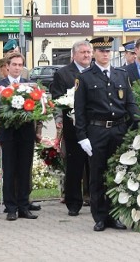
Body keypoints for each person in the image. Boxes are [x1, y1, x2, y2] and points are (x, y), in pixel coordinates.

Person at [74, 37, 140, 232]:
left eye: (107, 51)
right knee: (97, 174)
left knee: (117, 174)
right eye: (101, 51)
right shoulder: (85, 77)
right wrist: (82, 136)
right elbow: (79, 110)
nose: (105, 54)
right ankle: (100, 216)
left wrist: (139, 125)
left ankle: (114, 215)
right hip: (97, 131)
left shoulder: (121, 74)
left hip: (119, 130)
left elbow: (130, 103)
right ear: (94, 53)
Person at [49, 40, 93, 217]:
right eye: (83, 52)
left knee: (94, 165)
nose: (87, 55)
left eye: (89, 52)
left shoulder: (95, 71)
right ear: (74, 55)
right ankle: (73, 203)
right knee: (75, 165)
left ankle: (94, 198)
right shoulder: (63, 74)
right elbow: (57, 99)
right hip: (73, 126)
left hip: (94, 126)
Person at [0, 52, 38, 221]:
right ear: (7, 66)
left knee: (25, 171)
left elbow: (38, 109)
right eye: (14, 65)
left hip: (26, 134)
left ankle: (24, 207)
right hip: (8, 134)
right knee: (10, 171)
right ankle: (10, 208)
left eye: (20, 65)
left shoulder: (30, 86)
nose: (17, 68)